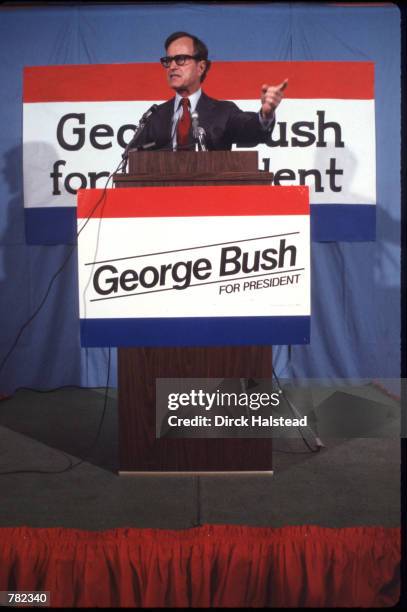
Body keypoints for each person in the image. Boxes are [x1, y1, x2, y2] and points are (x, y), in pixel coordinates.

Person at [134, 31, 288, 151]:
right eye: (168, 61)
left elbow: (252, 132)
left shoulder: (223, 112)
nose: (172, 66)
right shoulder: (155, 117)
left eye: (180, 59)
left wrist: (266, 115)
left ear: (201, 67)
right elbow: (135, 159)